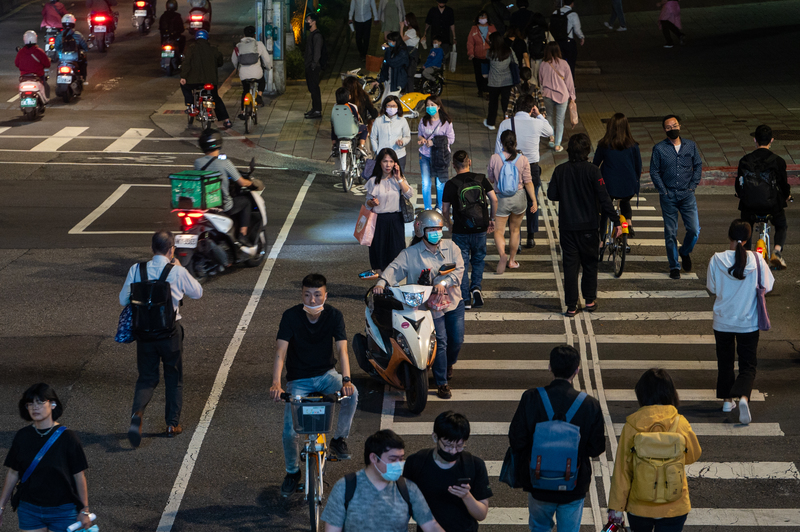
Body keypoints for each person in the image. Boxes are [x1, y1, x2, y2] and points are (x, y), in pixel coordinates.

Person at [270, 274, 359, 497]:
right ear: (302, 295)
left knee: (353, 394)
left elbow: (342, 351)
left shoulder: (334, 315)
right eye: (307, 295)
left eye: (317, 295)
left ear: (325, 295)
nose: (312, 300)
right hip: (298, 381)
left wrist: (346, 380)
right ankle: (292, 472)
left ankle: (339, 439)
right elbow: (281, 352)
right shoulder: (290, 316)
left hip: (326, 375)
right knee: (290, 432)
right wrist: (276, 383)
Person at [120, 230, 204, 445]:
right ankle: (171, 424)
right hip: (170, 334)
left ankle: (136, 415)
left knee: (146, 378)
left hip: (144, 334)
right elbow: (198, 292)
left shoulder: (136, 269)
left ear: (152, 249)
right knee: (173, 378)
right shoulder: (176, 271)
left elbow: (123, 300)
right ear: (171, 249)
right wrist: (179, 267)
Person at [508, 345, 605, 532]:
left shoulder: (531, 398)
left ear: (550, 367)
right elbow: (596, 448)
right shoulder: (589, 404)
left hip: (538, 482)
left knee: (539, 527)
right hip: (574, 485)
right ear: (576, 371)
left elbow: (517, 440)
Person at [374, 210, 465, 398]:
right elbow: (395, 268)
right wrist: (382, 282)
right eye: (431, 229)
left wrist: (443, 283)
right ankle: (442, 382)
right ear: (421, 230)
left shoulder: (451, 247)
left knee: (456, 340)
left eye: (438, 229)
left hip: (453, 302)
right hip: (427, 308)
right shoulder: (410, 254)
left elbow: (459, 270)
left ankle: (448, 364)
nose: (436, 233)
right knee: (440, 342)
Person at [607, 369, 702, 532]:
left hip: (639, 506)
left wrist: (616, 507)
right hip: (674, 505)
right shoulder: (680, 423)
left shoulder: (632, 426)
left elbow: (622, 470)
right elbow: (693, 455)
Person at [707, 220, 774, 425]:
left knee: (725, 362)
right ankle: (744, 397)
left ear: (729, 236)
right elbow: (768, 286)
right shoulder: (757, 260)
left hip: (723, 321)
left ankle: (727, 401)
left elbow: (713, 289)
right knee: (748, 364)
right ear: (747, 239)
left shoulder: (716, 259)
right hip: (748, 322)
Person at [0, 384, 92, 532]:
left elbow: (79, 475)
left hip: (63, 509)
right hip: (29, 509)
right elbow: (13, 473)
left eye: (40, 402)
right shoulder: (22, 436)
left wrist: (84, 510)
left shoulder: (68, 438)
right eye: (30, 403)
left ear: (53, 404)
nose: (34, 407)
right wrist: (1, 507)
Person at [548, 133, 620, 316]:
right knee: (589, 264)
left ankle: (571, 305)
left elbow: (552, 195)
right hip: (588, 227)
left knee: (570, 267)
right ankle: (589, 300)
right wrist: (617, 221)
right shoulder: (593, 171)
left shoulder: (560, 170)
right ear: (587, 150)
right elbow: (604, 199)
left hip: (567, 226)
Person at [321, 430, 444, 532]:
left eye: (401, 459)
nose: (398, 464)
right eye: (393, 459)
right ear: (374, 458)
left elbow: (430, 525)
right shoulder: (344, 488)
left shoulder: (407, 489)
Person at [404, 412, 492, 532]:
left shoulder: (474, 465)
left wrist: (467, 496)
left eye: (460, 446)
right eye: (448, 445)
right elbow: (405, 505)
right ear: (435, 437)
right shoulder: (416, 463)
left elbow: (481, 514)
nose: (453, 451)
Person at [442, 150, 498, 310]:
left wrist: (449, 223)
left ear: (454, 166)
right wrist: (491, 219)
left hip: (460, 229)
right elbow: (494, 199)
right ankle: (476, 288)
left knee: (462, 263)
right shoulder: (481, 179)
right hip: (480, 227)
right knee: (479, 259)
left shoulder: (451, 184)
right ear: (470, 162)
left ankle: (465, 299)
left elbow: (445, 209)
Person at [496, 93, 552, 249]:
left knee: (514, 202)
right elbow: (550, 131)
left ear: (515, 107)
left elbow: (497, 150)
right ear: (532, 108)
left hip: (511, 166)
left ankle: (517, 239)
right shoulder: (537, 123)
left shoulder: (505, 124)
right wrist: (539, 115)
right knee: (532, 201)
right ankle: (531, 236)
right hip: (532, 167)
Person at [649, 114, 702, 280]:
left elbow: (698, 165)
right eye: (669, 127)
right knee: (670, 233)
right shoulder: (659, 149)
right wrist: (663, 191)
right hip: (669, 195)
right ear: (665, 130)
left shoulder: (690, 146)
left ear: (680, 126)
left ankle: (684, 251)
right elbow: (654, 171)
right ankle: (674, 266)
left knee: (694, 229)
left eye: (675, 125)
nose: (672, 129)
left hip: (687, 195)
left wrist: (693, 186)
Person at [736, 124, 791, 269]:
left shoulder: (745, 160)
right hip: (772, 206)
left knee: (745, 226)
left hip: (749, 206)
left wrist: (740, 194)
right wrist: (787, 196)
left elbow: (739, 184)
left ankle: (746, 255)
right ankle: (777, 252)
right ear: (771, 140)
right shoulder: (778, 161)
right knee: (781, 225)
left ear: (755, 140)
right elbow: (783, 184)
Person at [194, 129, 258, 252]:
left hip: (205, 205)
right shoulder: (225, 163)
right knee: (246, 202)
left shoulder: (198, 163)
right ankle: (242, 235)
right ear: (219, 143)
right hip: (223, 206)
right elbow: (241, 182)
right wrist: (253, 184)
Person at [487, 130, 536, 274]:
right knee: (515, 230)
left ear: (501, 143)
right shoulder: (523, 159)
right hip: (519, 197)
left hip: (501, 199)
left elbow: (490, 179)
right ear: (515, 143)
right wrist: (533, 200)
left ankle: (502, 254)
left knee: (499, 231)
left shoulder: (494, 158)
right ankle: (512, 261)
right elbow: (528, 182)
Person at [365, 148, 415, 273]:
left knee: (396, 252)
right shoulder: (373, 181)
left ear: (395, 163)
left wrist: (399, 178)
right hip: (378, 221)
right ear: (379, 163)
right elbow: (367, 204)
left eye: (391, 161)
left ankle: (393, 284)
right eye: (385, 161)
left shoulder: (399, 179)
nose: (388, 165)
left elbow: (409, 194)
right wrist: (371, 202)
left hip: (395, 220)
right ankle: (381, 284)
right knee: (379, 252)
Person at [592, 113, 642, 237]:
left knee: (604, 209)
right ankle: (628, 224)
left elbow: (595, 165)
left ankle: (602, 238)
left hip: (609, 186)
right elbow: (638, 166)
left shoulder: (604, 145)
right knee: (625, 201)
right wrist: (635, 181)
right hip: (629, 186)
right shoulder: (633, 145)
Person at [180, 30, 232, 128]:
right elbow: (220, 62)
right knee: (215, 97)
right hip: (210, 81)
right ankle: (227, 120)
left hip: (194, 82)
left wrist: (183, 76)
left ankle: (191, 106)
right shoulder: (213, 49)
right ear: (207, 38)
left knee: (184, 85)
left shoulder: (191, 49)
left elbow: (186, 64)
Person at [417, 96, 455, 211]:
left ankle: (439, 206)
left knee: (440, 184)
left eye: (432, 105)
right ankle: (427, 208)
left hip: (440, 156)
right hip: (425, 155)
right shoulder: (423, 121)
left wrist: (434, 142)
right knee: (426, 183)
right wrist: (422, 139)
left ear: (438, 107)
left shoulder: (446, 122)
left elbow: (451, 139)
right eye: (428, 105)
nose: (430, 107)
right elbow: (420, 134)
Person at [539, 41, 574, 152]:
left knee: (549, 116)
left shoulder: (543, 64)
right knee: (560, 120)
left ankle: (551, 138)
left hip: (547, 94)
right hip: (562, 95)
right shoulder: (564, 63)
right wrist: (572, 96)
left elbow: (541, 80)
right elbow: (569, 82)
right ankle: (558, 144)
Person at [232, 25, 271, 115]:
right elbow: (267, 59)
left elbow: (234, 60)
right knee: (261, 81)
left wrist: (238, 68)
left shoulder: (239, 46)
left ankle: (242, 111)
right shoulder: (259, 44)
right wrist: (269, 67)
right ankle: (260, 96)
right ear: (254, 34)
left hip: (244, 74)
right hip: (257, 73)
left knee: (245, 90)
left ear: (244, 35)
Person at [483, 33, 518, 131]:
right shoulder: (509, 51)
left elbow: (486, 62)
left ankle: (491, 123)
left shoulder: (490, 52)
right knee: (506, 104)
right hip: (507, 81)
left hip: (494, 82)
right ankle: (508, 123)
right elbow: (516, 62)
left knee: (493, 103)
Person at [371, 95, 412, 172]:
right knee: (383, 180)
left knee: (398, 179)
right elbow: (373, 137)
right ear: (385, 107)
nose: (391, 108)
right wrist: (377, 151)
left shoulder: (402, 120)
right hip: (383, 157)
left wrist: (402, 141)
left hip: (399, 155)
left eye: (394, 106)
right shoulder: (378, 120)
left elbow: (407, 136)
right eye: (389, 106)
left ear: (398, 107)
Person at [331, 87, 369, 158]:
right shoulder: (352, 106)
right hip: (351, 131)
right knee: (364, 128)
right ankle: (361, 146)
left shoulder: (334, 107)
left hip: (338, 132)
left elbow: (332, 120)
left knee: (333, 127)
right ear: (348, 97)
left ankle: (334, 145)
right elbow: (357, 119)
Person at [15, 31, 51, 101]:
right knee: (46, 86)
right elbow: (47, 64)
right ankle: (45, 99)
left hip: (24, 77)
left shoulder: (21, 52)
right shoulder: (39, 51)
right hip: (38, 76)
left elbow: (16, 63)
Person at [466, 11, 495, 98]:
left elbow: (496, 40)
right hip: (477, 56)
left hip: (489, 56)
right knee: (479, 74)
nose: (483, 19)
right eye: (481, 17)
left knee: (490, 74)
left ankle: (488, 90)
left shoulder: (492, 28)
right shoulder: (474, 29)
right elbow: (470, 42)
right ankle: (481, 90)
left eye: (484, 17)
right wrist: (471, 53)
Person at [551, 0, 582, 77]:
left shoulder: (555, 13)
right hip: (569, 42)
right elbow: (577, 30)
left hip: (557, 42)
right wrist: (582, 37)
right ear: (572, 3)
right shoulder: (573, 14)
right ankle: (570, 83)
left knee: (558, 63)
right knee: (571, 64)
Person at [54, 14, 88, 81]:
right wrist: (86, 48)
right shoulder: (78, 35)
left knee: (58, 66)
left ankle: (58, 79)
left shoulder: (59, 36)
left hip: (62, 59)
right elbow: (85, 47)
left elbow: (57, 47)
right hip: (75, 59)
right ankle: (82, 77)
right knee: (83, 61)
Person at [304, 12, 324, 119]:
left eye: (308, 20)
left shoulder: (317, 36)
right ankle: (314, 109)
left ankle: (317, 110)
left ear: (314, 22)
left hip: (313, 67)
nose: (307, 22)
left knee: (315, 88)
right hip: (309, 65)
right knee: (312, 89)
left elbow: (317, 53)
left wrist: (313, 65)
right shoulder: (312, 35)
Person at [526, 12, 549, 82]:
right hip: (543, 58)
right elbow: (551, 42)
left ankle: (535, 91)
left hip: (533, 58)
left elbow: (526, 44)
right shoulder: (545, 31)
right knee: (543, 78)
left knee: (534, 77)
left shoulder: (529, 30)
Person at [402, 13, 421, 92]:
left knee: (410, 75)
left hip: (412, 56)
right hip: (408, 55)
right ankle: (406, 91)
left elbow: (402, 39)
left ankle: (410, 92)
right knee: (406, 75)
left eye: (406, 20)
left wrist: (401, 28)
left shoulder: (412, 31)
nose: (404, 21)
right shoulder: (408, 31)